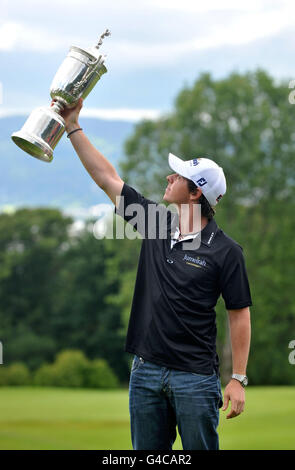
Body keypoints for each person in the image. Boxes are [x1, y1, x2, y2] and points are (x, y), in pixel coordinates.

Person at [55, 97, 252, 451]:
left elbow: (239, 315)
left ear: (195, 193)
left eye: (178, 176)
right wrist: (72, 125)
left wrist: (237, 378)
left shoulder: (226, 251)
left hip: (195, 379)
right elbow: (106, 179)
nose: (168, 177)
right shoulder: (156, 223)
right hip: (145, 372)